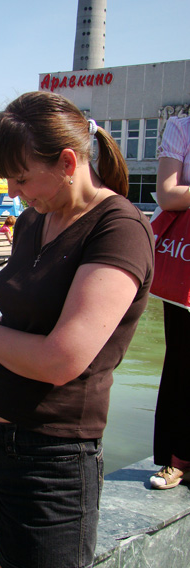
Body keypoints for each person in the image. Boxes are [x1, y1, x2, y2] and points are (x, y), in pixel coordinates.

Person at [0, 91, 154, 568]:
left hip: (48, 453)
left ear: (69, 162)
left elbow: (63, 358)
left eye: (21, 177)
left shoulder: (119, 229)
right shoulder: (36, 218)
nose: (12, 192)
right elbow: (23, 318)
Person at [149, 115, 190, 490]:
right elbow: (167, 193)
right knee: (183, 359)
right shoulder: (182, 127)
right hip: (187, 262)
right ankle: (178, 457)